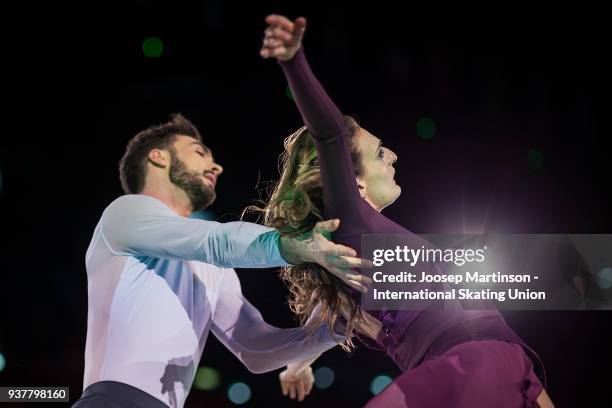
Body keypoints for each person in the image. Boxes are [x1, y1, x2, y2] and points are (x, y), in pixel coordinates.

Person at [260, 14, 555, 407]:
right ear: (355, 184)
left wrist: (297, 365)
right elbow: (328, 132)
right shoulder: (351, 230)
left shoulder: (359, 252)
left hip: (477, 364)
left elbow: (500, 353)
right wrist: (293, 60)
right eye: (380, 153)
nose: (394, 155)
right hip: (468, 368)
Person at [72, 114, 372, 408]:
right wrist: (297, 246)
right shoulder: (123, 213)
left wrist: (335, 327)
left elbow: (255, 348)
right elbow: (216, 241)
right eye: (199, 152)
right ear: (158, 157)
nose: (216, 165)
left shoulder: (214, 267)